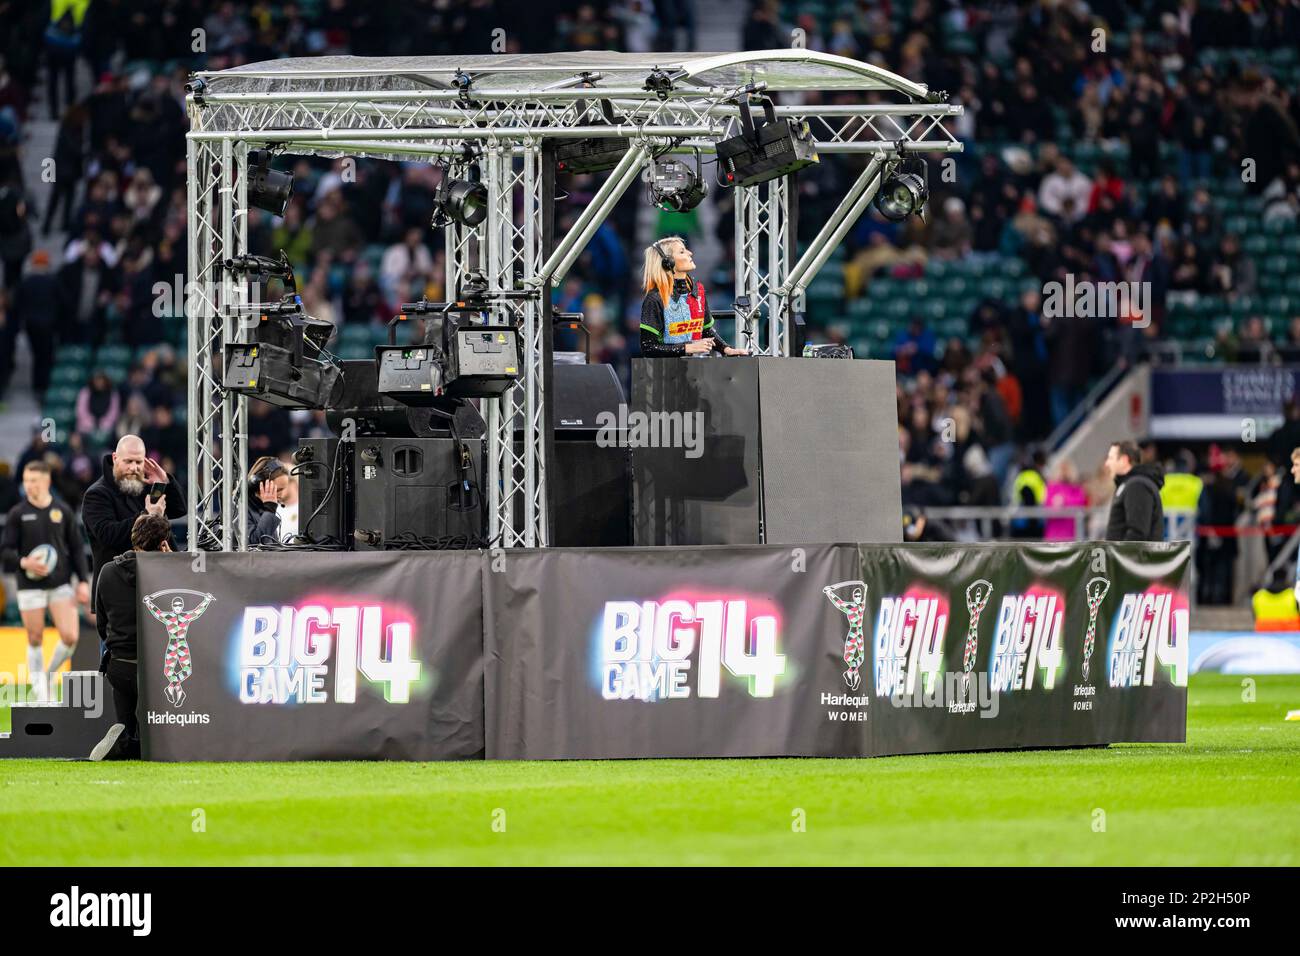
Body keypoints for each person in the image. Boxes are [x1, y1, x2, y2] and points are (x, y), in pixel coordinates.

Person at [0, 461, 91, 702]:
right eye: (27, 480)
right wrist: (24, 563)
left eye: (34, 481)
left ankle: (50, 674)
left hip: (60, 583)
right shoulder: (17, 513)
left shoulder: (62, 511)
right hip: (29, 586)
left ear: (47, 481)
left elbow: (77, 548)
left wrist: (82, 581)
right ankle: (40, 691)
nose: (29, 485)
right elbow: (6, 550)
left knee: (70, 636)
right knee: (34, 637)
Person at [89, 513, 175, 761]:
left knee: (127, 725)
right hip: (155, 671)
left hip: (118, 666)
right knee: (161, 739)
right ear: (163, 544)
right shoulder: (166, 576)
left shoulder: (106, 571)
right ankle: (134, 742)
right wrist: (172, 567)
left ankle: (124, 738)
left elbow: (101, 623)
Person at [81, 434, 186, 587]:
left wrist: (164, 482)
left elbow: (179, 510)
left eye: (138, 462)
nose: (134, 467)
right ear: (115, 457)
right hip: (118, 586)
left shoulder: (144, 485)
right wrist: (146, 515)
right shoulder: (96, 494)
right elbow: (108, 535)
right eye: (128, 461)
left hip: (156, 580)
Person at [638, 236, 748, 358]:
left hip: (695, 369)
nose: (690, 253)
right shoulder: (655, 298)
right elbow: (648, 347)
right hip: (665, 372)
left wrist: (726, 349)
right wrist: (688, 348)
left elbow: (706, 330)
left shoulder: (698, 291)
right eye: (682, 251)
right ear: (668, 262)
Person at [1104, 441, 1165, 541]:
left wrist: (1120, 555)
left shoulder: (1137, 486)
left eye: (1110, 458)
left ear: (1124, 460)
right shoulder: (1131, 484)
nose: (1107, 463)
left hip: (1134, 556)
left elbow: (1138, 532)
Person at [245, 455, 291, 545]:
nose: (282, 495)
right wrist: (270, 509)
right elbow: (255, 543)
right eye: (277, 490)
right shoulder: (239, 507)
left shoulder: (264, 508)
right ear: (258, 484)